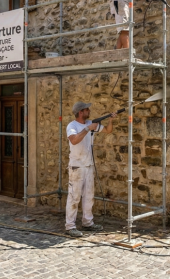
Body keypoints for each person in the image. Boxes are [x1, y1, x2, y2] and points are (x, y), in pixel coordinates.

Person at [65, 101, 116, 237]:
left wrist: (110, 120)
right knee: (74, 196)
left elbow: (108, 130)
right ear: (80, 112)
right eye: (87, 109)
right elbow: (74, 140)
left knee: (89, 196)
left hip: (88, 165)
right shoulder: (72, 126)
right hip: (77, 166)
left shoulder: (89, 124)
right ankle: (70, 226)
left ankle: (88, 222)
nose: (89, 111)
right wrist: (88, 129)